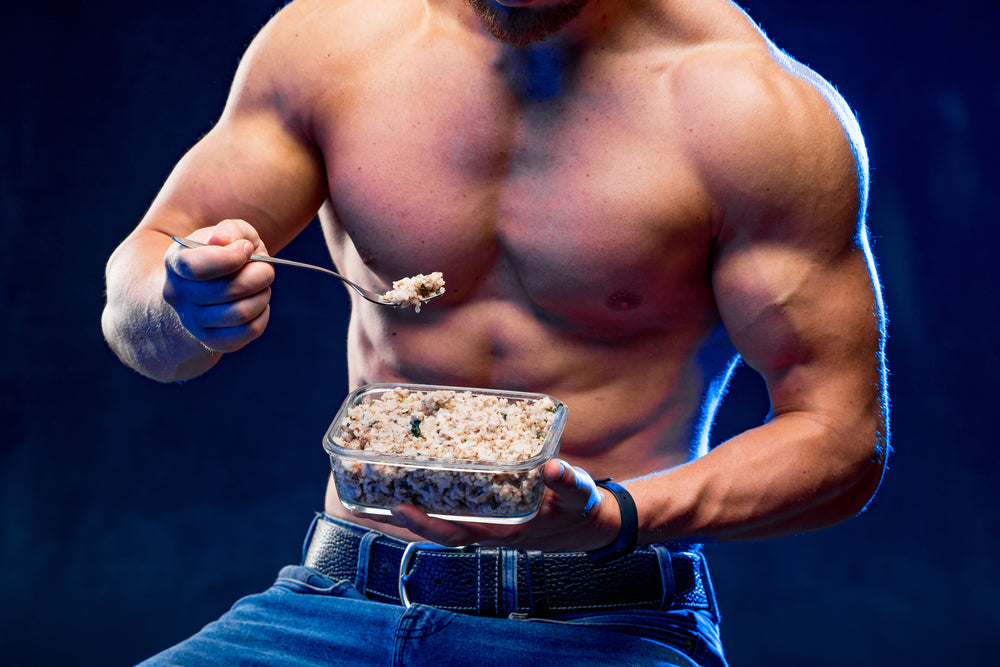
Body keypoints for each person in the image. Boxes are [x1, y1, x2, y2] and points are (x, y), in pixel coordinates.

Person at [102, 0, 889, 665]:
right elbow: (141, 305)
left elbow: (842, 435)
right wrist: (181, 301)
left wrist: (620, 514)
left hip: (604, 623)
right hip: (333, 601)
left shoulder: (752, 106)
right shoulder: (331, 42)